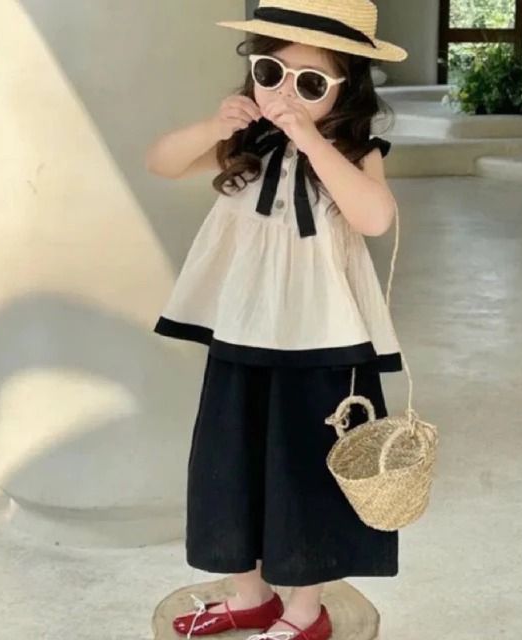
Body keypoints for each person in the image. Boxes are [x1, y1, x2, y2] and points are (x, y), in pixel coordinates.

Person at [145, 2, 408, 639]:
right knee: (229, 464)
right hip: (240, 333)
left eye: (310, 83)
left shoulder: (354, 151)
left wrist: (314, 141)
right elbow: (161, 162)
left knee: (304, 473)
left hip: (323, 342)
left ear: (346, 89)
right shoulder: (245, 143)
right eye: (271, 72)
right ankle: (250, 596)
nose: (285, 93)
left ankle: (305, 612)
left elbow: (375, 217)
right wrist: (215, 125)